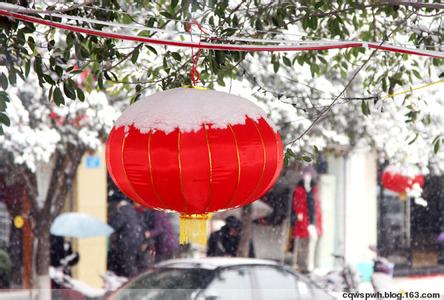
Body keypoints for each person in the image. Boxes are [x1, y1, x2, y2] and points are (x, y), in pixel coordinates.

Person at [292, 166, 323, 273]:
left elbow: (315, 205)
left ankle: (310, 264)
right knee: (303, 241)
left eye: (309, 176)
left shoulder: (313, 189)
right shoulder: (299, 189)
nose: (307, 178)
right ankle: (301, 264)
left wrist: (316, 219)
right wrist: (299, 213)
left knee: (312, 240)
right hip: (304, 220)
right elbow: (297, 203)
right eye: (306, 176)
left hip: (312, 220)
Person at [108, 199, 144, 277]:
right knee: (130, 263)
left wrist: (108, 225)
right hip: (135, 240)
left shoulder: (123, 210)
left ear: (119, 204)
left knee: (127, 264)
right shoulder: (131, 210)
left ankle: (131, 282)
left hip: (127, 241)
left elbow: (115, 225)